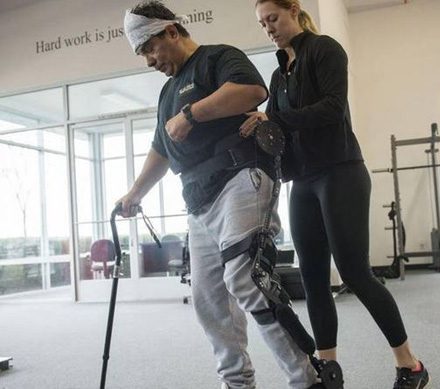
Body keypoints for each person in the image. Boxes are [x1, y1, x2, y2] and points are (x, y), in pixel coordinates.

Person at [117, 2, 322, 388]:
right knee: (209, 300)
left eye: (149, 48)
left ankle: (307, 379)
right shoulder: (167, 93)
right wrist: (134, 193)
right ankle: (236, 382)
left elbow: (251, 90)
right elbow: (161, 150)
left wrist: (191, 114)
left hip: (240, 179)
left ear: (171, 33)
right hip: (198, 203)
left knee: (246, 277)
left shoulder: (217, 58)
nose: (148, 61)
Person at [240, 1, 430, 388]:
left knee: (355, 273)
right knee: (312, 279)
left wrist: (273, 118)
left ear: (293, 10)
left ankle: (410, 364)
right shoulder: (279, 77)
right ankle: (328, 369)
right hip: (304, 183)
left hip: (341, 173)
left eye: (273, 19)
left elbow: (331, 108)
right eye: (262, 25)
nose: (269, 29)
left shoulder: (325, 49)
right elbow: (280, 134)